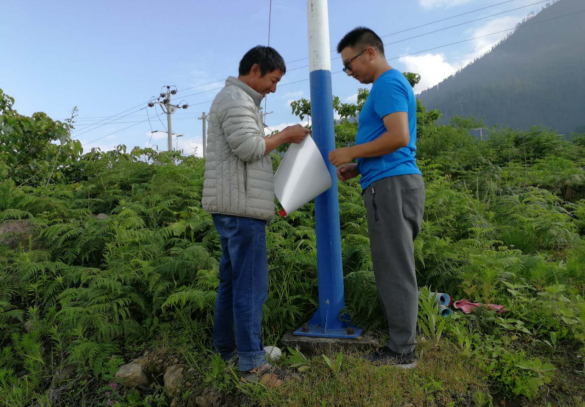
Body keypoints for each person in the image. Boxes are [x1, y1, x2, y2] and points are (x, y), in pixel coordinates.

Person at [202, 46, 310, 384]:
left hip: (234, 207)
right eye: (273, 80)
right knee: (250, 287)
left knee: (233, 284)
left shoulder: (238, 100)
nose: (274, 88)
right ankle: (252, 366)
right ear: (254, 70)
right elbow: (249, 148)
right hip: (242, 209)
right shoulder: (235, 99)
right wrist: (288, 135)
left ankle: (227, 351)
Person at [329, 27, 425, 369]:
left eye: (349, 63)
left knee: (395, 268)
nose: (349, 71)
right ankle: (401, 341)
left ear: (369, 52)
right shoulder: (388, 85)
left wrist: (350, 151)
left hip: (391, 186)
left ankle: (402, 352)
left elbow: (398, 136)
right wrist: (360, 166)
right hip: (387, 181)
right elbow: (393, 140)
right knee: (392, 265)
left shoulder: (386, 83)